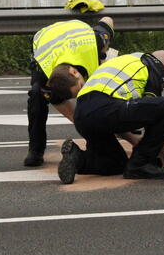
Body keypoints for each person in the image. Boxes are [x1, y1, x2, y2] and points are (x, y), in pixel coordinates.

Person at [57, 50, 164, 183]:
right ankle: (140, 165)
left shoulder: (122, 61)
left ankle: (78, 158)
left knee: (116, 163)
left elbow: (115, 116)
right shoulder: (154, 65)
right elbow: (153, 112)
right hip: (106, 107)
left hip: (82, 115)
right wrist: (154, 147)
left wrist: (135, 140)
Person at [24, 16, 115, 167]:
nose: (82, 90)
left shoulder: (97, 39)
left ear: (74, 72)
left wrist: (104, 52)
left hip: (77, 34)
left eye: (80, 87)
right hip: (46, 38)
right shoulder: (43, 73)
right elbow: (68, 111)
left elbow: (108, 20)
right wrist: (89, 125)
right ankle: (35, 150)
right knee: (36, 97)